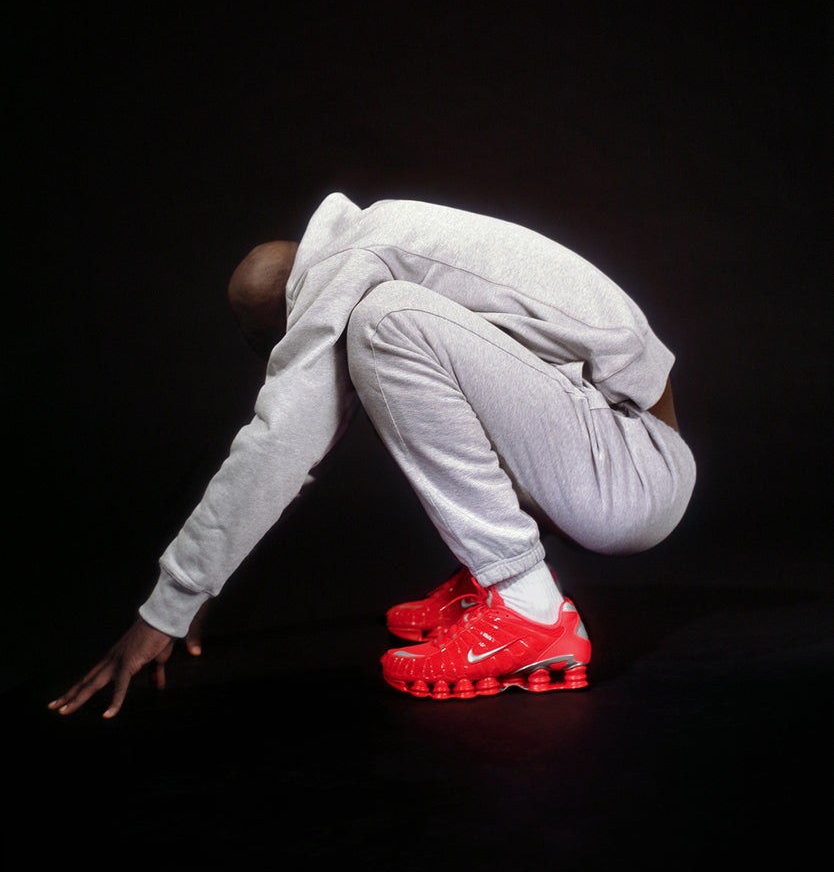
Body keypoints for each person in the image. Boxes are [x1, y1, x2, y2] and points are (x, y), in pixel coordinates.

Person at [48, 192, 696, 715]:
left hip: (635, 472)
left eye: (271, 348)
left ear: (287, 314)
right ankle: (496, 580)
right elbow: (302, 446)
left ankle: (528, 609)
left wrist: (168, 606)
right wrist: (203, 583)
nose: (278, 365)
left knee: (386, 323)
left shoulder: (353, 269)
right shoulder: (377, 242)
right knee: (394, 347)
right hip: (615, 454)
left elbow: (283, 440)